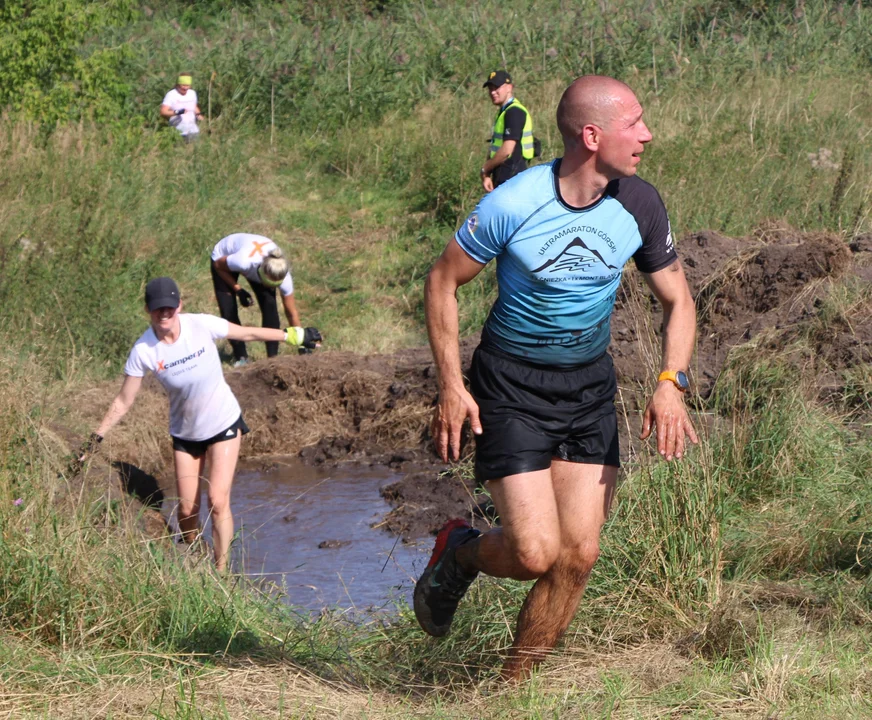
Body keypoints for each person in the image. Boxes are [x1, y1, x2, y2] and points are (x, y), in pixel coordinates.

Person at [416, 75, 698, 681]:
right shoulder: (514, 202)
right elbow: (442, 281)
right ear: (592, 136)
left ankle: (512, 691)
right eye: (635, 124)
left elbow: (679, 300)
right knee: (534, 552)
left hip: (589, 387)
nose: (647, 135)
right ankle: (460, 551)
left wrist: (670, 381)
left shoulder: (640, 203)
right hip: (511, 388)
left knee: (579, 555)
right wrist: (450, 384)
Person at [85, 277, 322, 571]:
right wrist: (95, 437)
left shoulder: (200, 325)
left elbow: (246, 333)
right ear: (148, 310)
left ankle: (221, 572)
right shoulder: (143, 350)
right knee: (186, 509)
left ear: (179, 305)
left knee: (218, 500)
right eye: (158, 309)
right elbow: (123, 401)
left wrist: (292, 336)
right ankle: (195, 555)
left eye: (170, 308)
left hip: (223, 423)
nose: (165, 314)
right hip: (185, 433)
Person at [210, 233, 303, 366]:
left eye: (274, 285)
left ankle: (272, 360)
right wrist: (238, 290)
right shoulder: (243, 262)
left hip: (252, 261)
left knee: (270, 305)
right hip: (222, 260)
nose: (270, 287)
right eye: (268, 283)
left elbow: (291, 312)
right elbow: (218, 266)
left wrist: (302, 343)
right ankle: (241, 356)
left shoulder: (283, 275)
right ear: (261, 273)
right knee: (228, 310)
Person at [480, 70, 535, 193]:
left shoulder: (513, 112)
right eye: (490, 88)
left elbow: (506, 151)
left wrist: (485, 169)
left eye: (497, 87)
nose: (493, 92)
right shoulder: (504, 112)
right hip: (504, 177)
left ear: (509, 87)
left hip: (512, 179)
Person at [160, 73, 203, 140]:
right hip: (178, 132)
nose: (185, 88)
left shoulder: (192, 93)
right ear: (178, 84)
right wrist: (178, 112)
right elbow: (163, 111)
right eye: (183, 85)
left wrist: (198, 115)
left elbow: (194, 106)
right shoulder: (171, 95)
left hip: (193, 130)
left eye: (188, 85)